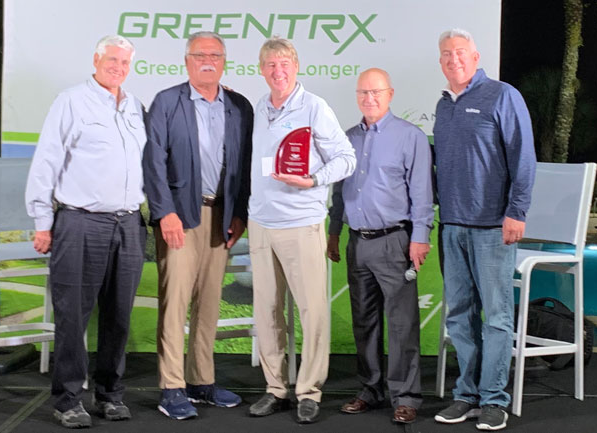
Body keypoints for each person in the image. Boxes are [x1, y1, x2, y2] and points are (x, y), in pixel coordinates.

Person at [25, 35, 146, 429]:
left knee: (119, 316)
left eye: (125, 62)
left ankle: (109, 395)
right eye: (112, 59)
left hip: (129, 223)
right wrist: (43, 221)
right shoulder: (71, 101)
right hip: (80, 221)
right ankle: (67, 400)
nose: (118, 67)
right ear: (96, 60)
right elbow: (46, 160)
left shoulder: (134, 106)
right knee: (73, 316)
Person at [142, 31, 253, 420]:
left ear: (224, 62)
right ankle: (171, 387)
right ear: (187, 61)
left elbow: (244, 165)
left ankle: (201, 380)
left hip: (221, 219)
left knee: (208, 304)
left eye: (215, 54)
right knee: (175, 305)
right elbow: (153, 161)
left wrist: (239, 212)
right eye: (200, 54)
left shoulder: (239, 106)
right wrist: (164, 212)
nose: (208, 60)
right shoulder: (166, 102)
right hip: (180, 216)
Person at [247, 36, 356, 424]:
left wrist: (314, 180)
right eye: (271, 65)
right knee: (267, 312)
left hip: (302, 223)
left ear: (296, 67)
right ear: (261, 70)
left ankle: (308, 390)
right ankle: (275, 388)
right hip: (261, 223)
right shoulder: (259, 107)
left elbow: (346, 158)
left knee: (311, 312)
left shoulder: (314, 107)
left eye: (285, 64)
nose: (278, 72)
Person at [432, 29, 536, 431]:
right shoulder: (444, 106)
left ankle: (494, 400)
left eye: (460, 52)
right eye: (446, 54)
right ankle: (466, 395)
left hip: (493, 226)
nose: (453, 59)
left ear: (475, 57)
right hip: (452, 225)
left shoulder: (502, 95)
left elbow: (523, 157)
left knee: (495, 317)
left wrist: (517, 211)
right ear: (441, 62)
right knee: (459, 315)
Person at [327, 68, 433, 424]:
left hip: (395, 242)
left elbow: (422, 193)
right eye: (362, 93)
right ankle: (370, 390)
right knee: (365, 321)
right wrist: (334, 231)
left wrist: (420, 236)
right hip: (357, 242)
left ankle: (406, 396)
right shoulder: (348, 137)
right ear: (357, 96)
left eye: (376, 92)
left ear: (390, 94)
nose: (368, 99)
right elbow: (339, 192)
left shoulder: (410, 137)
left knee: (402, 323)